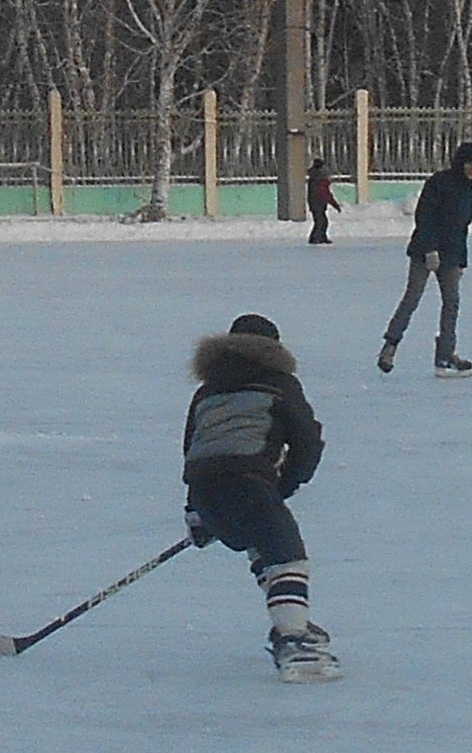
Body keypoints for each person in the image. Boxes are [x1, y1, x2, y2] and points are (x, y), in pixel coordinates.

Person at [181, 313, 337, 682]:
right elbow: (307, 441)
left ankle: (290, 618)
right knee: (285, 554)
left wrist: (196, 512)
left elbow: (196, 448)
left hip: (205, 485)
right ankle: (293, 639)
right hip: (248, 479)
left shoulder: (207, 391)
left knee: (261, 544)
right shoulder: (279, 384)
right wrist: (284, 486)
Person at [377, 141, 472, 378]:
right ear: (460, 162)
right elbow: (425, 217)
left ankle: (445, 354)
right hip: (425, 251)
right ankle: (389, 347)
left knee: (452, 303)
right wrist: (429, 249)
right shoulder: (439, 182)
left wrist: (461, 261)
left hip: (452, 255)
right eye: (468, 163)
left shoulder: (470, 192)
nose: (471, 169)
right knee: (412, 298)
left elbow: (461, 229)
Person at [306, 158, 343, 244]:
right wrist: (334, 204)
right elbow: (325, 194)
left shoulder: (314, 177)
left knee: (321, 221)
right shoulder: (320, 180)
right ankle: (316, 238)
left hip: (314, 202)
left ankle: (319, 237)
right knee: (321, 222)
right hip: (318, 203)